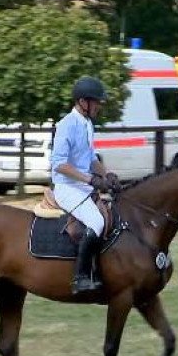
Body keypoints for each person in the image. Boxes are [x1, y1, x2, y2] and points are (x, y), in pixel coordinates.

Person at [50, 76, 120, 294]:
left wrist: (106, 175)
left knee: (111, 218)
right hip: (66, 187)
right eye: (96, 102)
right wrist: (90, 179)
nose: (99, 106)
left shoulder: (87, 124)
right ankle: (79, 278)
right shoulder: (66, 125)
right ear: (83, 102)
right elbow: (59, 164)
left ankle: (97, 271)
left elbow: (90, 158)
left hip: (82, 187)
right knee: (97, 222)